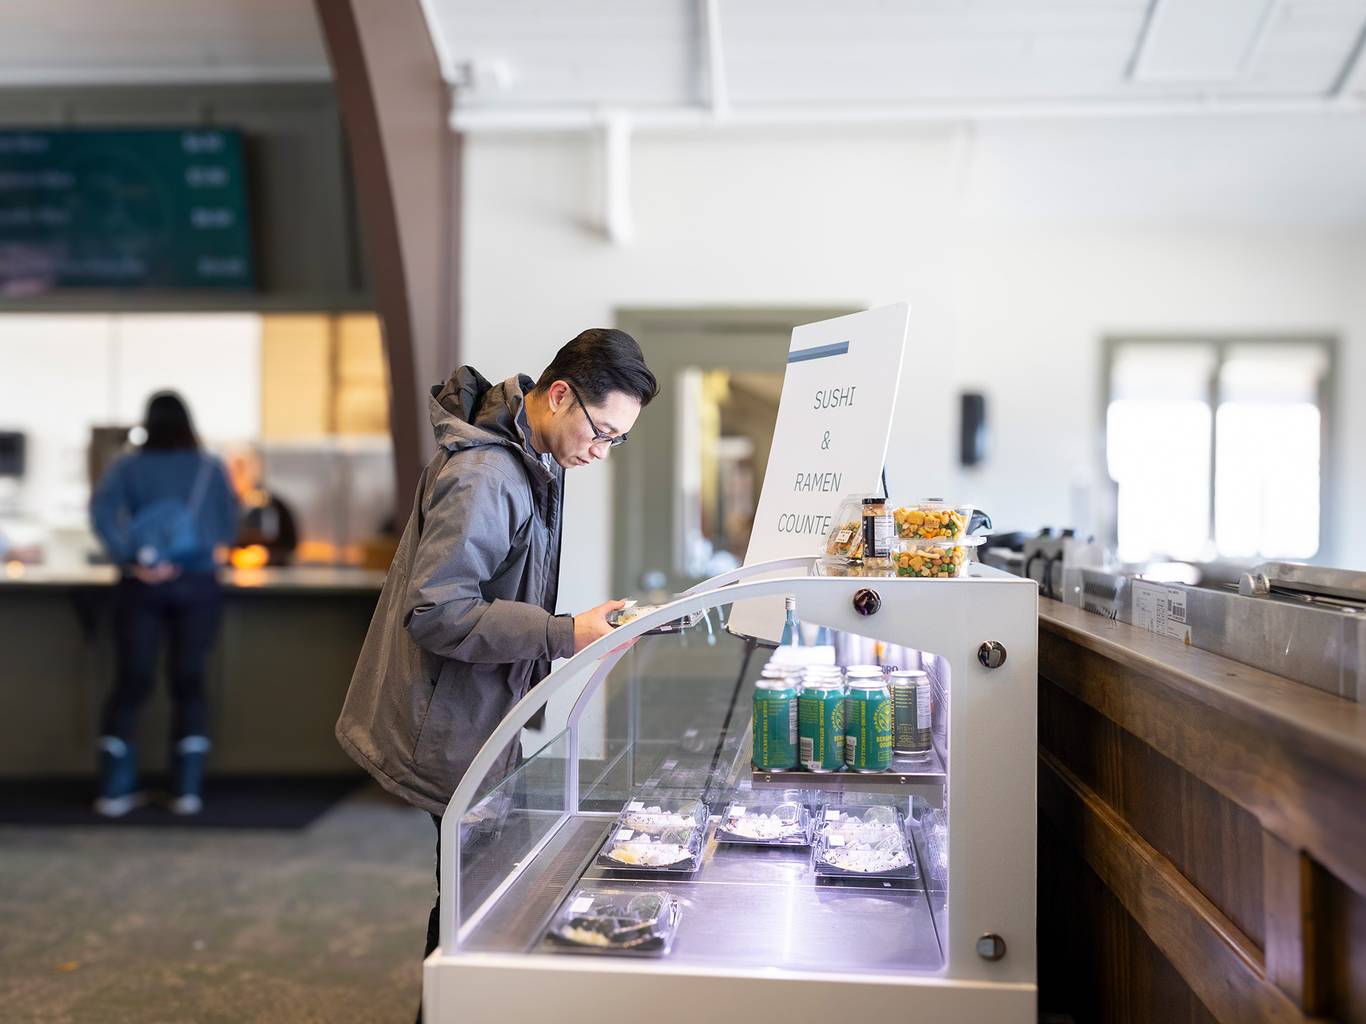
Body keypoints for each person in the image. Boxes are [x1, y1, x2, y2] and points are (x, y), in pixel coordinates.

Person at [334, 328, 657, 1020]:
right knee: (470, 902)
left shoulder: (534, 457)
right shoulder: (487, 475)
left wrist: (568, 628)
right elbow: (438, 613)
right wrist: (565, 633)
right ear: (561, 395)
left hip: (479, 717)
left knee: (470, 892)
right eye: (603, 433)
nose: (600, 453)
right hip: (446, 726)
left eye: (616, 441)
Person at [90, 392, 240, 817]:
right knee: (189, 680)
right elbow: (228, 525)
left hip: (139, 586)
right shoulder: (210, 469)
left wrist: (132, 559)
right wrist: (193, 556)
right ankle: (186, 791)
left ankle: (115, 791)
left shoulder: (126, 467)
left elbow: (101, 514)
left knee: (131, 683)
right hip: (197, 586)